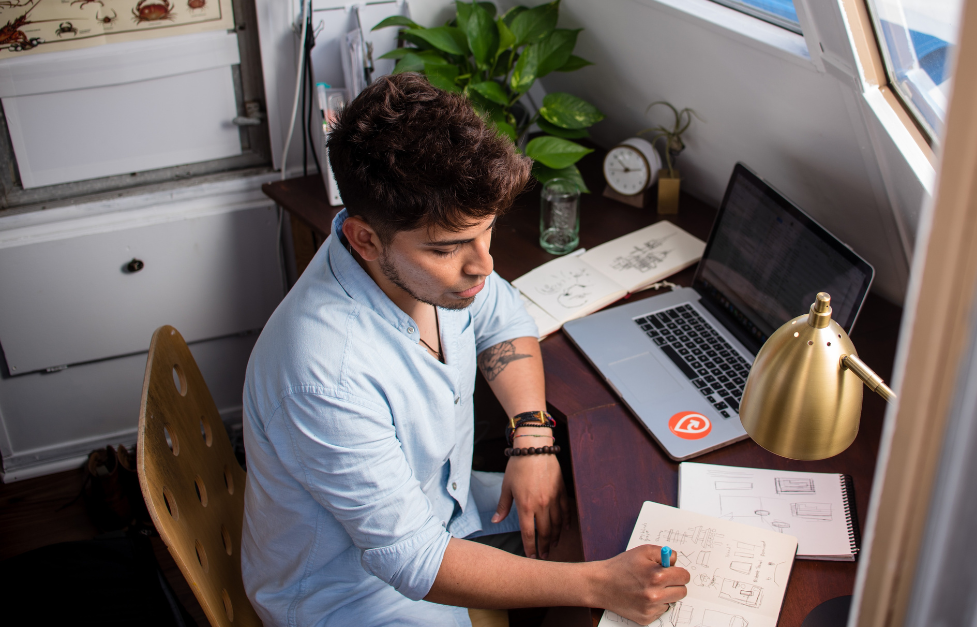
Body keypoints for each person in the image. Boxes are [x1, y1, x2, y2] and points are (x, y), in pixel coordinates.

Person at [240, 73, 689, 626]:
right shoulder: (323, 375)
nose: (484, 264)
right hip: (353, 594)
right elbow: (415, 561)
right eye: (450, 248)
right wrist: (600, 585)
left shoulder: (427, 269)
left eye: (488, 231)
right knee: (598, 573)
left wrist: (532, 437)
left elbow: (503, 314)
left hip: (442, 507)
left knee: (599, 522)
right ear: (364, 238)